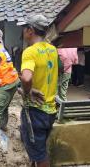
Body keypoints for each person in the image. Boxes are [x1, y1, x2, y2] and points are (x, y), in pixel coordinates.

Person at [19, 15, 58, 167]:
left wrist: (28, 91)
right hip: (50, 110)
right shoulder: (53, 50)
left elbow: (27, 78)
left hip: (36, 111)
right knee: (38, 149)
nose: (23, 32)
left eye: (24, 29)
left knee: (40, 155)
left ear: (30, 30)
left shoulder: (30, 52)